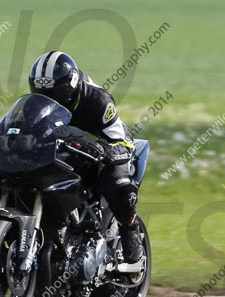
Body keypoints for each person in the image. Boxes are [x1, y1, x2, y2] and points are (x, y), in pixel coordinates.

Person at [28, 50, 142, 264]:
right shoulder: (36, 104)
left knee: (118, 180)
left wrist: (106, 148)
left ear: (71, 85)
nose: (48, 97)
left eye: (54, 91)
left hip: (105, 141)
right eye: (41, 91)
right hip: (65, 145)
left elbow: (118, 138)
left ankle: (130, 229)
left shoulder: (98, 100)